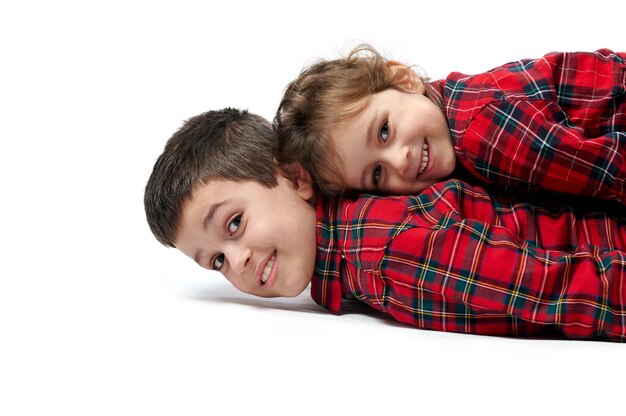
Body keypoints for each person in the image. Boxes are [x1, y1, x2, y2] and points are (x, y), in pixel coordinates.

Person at [145, 107, 626, 341]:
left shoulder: (380, 250)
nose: (239, 261)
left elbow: (562, 288)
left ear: (294, 175)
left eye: (233, 225)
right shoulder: (353, 253)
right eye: (216, 262)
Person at [274, 45, 626, 202]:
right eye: (377, 175)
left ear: (403, 78)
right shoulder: (442, 104)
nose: (399, 161)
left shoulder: (483, 132)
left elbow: (612, 171)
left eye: (384, 131)